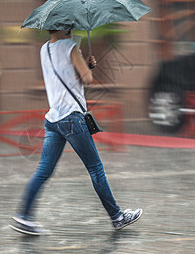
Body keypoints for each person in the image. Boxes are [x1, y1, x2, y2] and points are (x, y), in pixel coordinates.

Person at [10, 30, 142, 235]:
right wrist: (87, 66)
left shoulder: (44, 49)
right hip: (72, 117)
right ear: (63, 26)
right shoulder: (70, 46)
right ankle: (117, 217)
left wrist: (79, 65)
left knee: (43, 171)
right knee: (96, 168)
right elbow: (87, 79)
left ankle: (24, 217)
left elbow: (66, 80)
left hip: (53, 119)